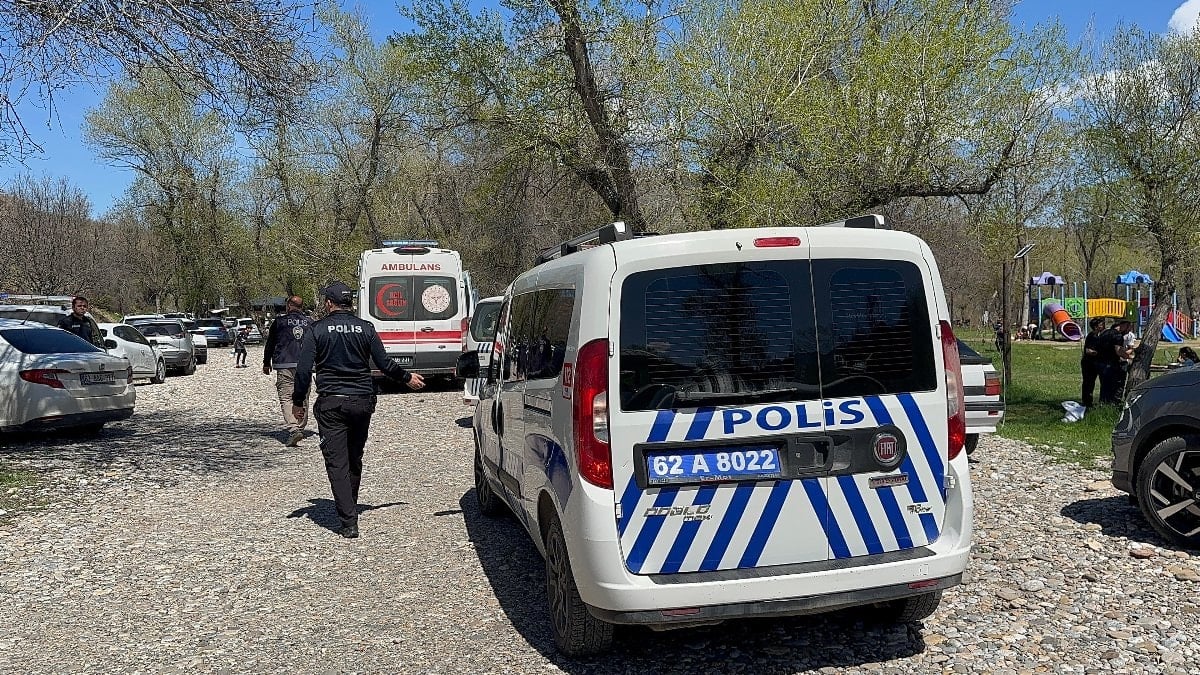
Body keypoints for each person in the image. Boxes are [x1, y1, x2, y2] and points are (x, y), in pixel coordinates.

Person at [292, 281, 426, 539]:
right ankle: (349, 503)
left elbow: (303, 371)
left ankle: (348, 521)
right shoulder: (366, 328)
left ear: (328, 303)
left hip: (332, 402)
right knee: (354, 456)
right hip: (363, 401)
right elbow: (384, 363)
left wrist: (299, 402)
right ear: (349, 303)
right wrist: (406, 377)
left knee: (337, 462)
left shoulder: (316, 329)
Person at [263, 296, 313, 447]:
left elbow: (271, 343)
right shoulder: (310, 322)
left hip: (285, 363)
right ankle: (300, 426)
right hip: (305, 365)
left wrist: (266, 362)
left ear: (289, 306)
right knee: (303, 396)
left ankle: (293, 428)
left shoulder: (279, 322)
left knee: (286, 397)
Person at [1097, 321, 1128, 404]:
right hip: (1111, 364)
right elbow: (1118, 351)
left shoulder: (1104, 333)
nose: (1128, 329)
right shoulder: (1117, 335)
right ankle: (1113, 404)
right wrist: (1128, 357)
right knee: (1115, 386)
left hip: (1101, 363)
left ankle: (1103, 404)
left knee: (1104, 386)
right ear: (1122, 325)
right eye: (1128, 326)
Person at [1080, 318, 1106, 408]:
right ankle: (1087, 402)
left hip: (1097, 363)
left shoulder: (1100, 336)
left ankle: (1102, 402)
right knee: (1088, 383)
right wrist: (1098, 353)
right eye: (1101, 325)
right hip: (1089, 363)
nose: (1103, 326)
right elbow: (1088, 350)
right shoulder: (1092, 336)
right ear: (1095, 327)